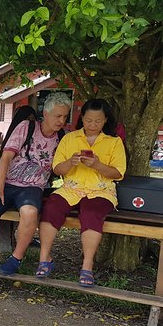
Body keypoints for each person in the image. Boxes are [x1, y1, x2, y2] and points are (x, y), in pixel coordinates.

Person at [0, 93, 72, 276]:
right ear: (46, 113)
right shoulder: (27, 127)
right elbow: (7, 156)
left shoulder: (63, 138)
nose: (62, 120)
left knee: (30, 213)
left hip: (32, 188)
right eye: (58, 116)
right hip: (6, 182)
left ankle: (16, 258)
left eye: (65, 116)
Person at [36, 99, 126, 286]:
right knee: (52, 206)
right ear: (82, 118)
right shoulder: (69, 138)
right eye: (88, 120)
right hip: (72, 188)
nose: (92, 125)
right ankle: (44, 258)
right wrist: (71, 162)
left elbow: (118, 174)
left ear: (105, 120)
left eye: (98, 121)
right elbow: (57, 169)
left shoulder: (113, 142)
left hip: (101, 190)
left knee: (92, 213)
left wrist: (98, 165)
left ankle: (87, 266)